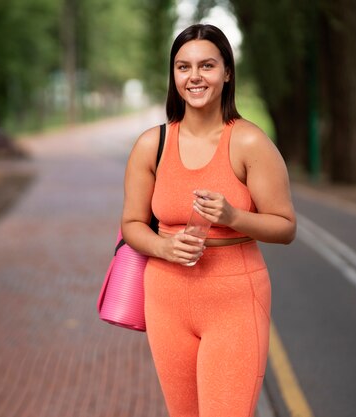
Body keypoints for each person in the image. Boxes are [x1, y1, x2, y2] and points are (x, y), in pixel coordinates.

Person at [121, 24, 296, 417]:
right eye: (183, 67)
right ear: (174, 75)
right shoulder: (153, 144)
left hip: (235, 298)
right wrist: (162, 246)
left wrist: (235, 216)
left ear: (227, 72)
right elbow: (132, 223)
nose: (194, 76)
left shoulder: (249, 142)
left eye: (207, 65)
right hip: (165, 297)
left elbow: (286, 226)